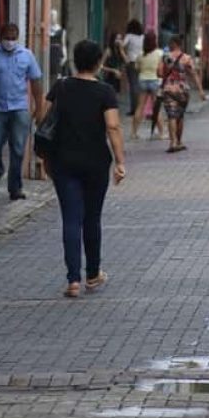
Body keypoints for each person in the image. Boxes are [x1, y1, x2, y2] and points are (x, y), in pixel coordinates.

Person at [43, 40, 126, 298]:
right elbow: (113, 127)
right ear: (99, 62)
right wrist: (120, 161)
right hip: (96, 162)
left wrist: (43, 157)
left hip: (63, 162)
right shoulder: (105, 92)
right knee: (92, 217)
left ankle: (72, 280)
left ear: (75, 61)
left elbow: (44, 120)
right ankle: (92, 274)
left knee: (71, 218)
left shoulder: (61, 87)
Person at [0, 22, 43, 201]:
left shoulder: (27, 56)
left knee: (18, 149)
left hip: (20, 108)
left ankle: (15, 188)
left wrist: (39, 107)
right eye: (7, 38)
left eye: (13, 38)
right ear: (1, 37)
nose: (10, 41)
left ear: (17, 37)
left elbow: (36, 81)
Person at [159, 35, 205, 153]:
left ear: (174, 43)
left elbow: (159, 73)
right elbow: (194, 74)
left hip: (168, 89)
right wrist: (200, 91)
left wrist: (167, 73)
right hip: (182, 91)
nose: (169, 45)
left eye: (170, 43)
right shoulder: (186, 58)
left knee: (171, 116)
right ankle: (179, 142)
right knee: (179, 116)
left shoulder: (165, 57)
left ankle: (172, 142)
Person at [132, 31, 164, 140]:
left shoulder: (140, 55)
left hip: (142, 81)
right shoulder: (160, 53)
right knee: (157, 108)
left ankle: (134, 132)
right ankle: (161, 133)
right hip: (155, 81)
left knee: (140, 107)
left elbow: (137, 68)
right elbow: (161, 69)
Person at [122, 19, 144, 115]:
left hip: (131, 61)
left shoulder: (129, 36)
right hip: (141, 61)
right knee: (139, 85)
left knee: (133, 86)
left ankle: (134, 109)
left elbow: (122, 45)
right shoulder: (143, 37)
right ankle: (140, 108)